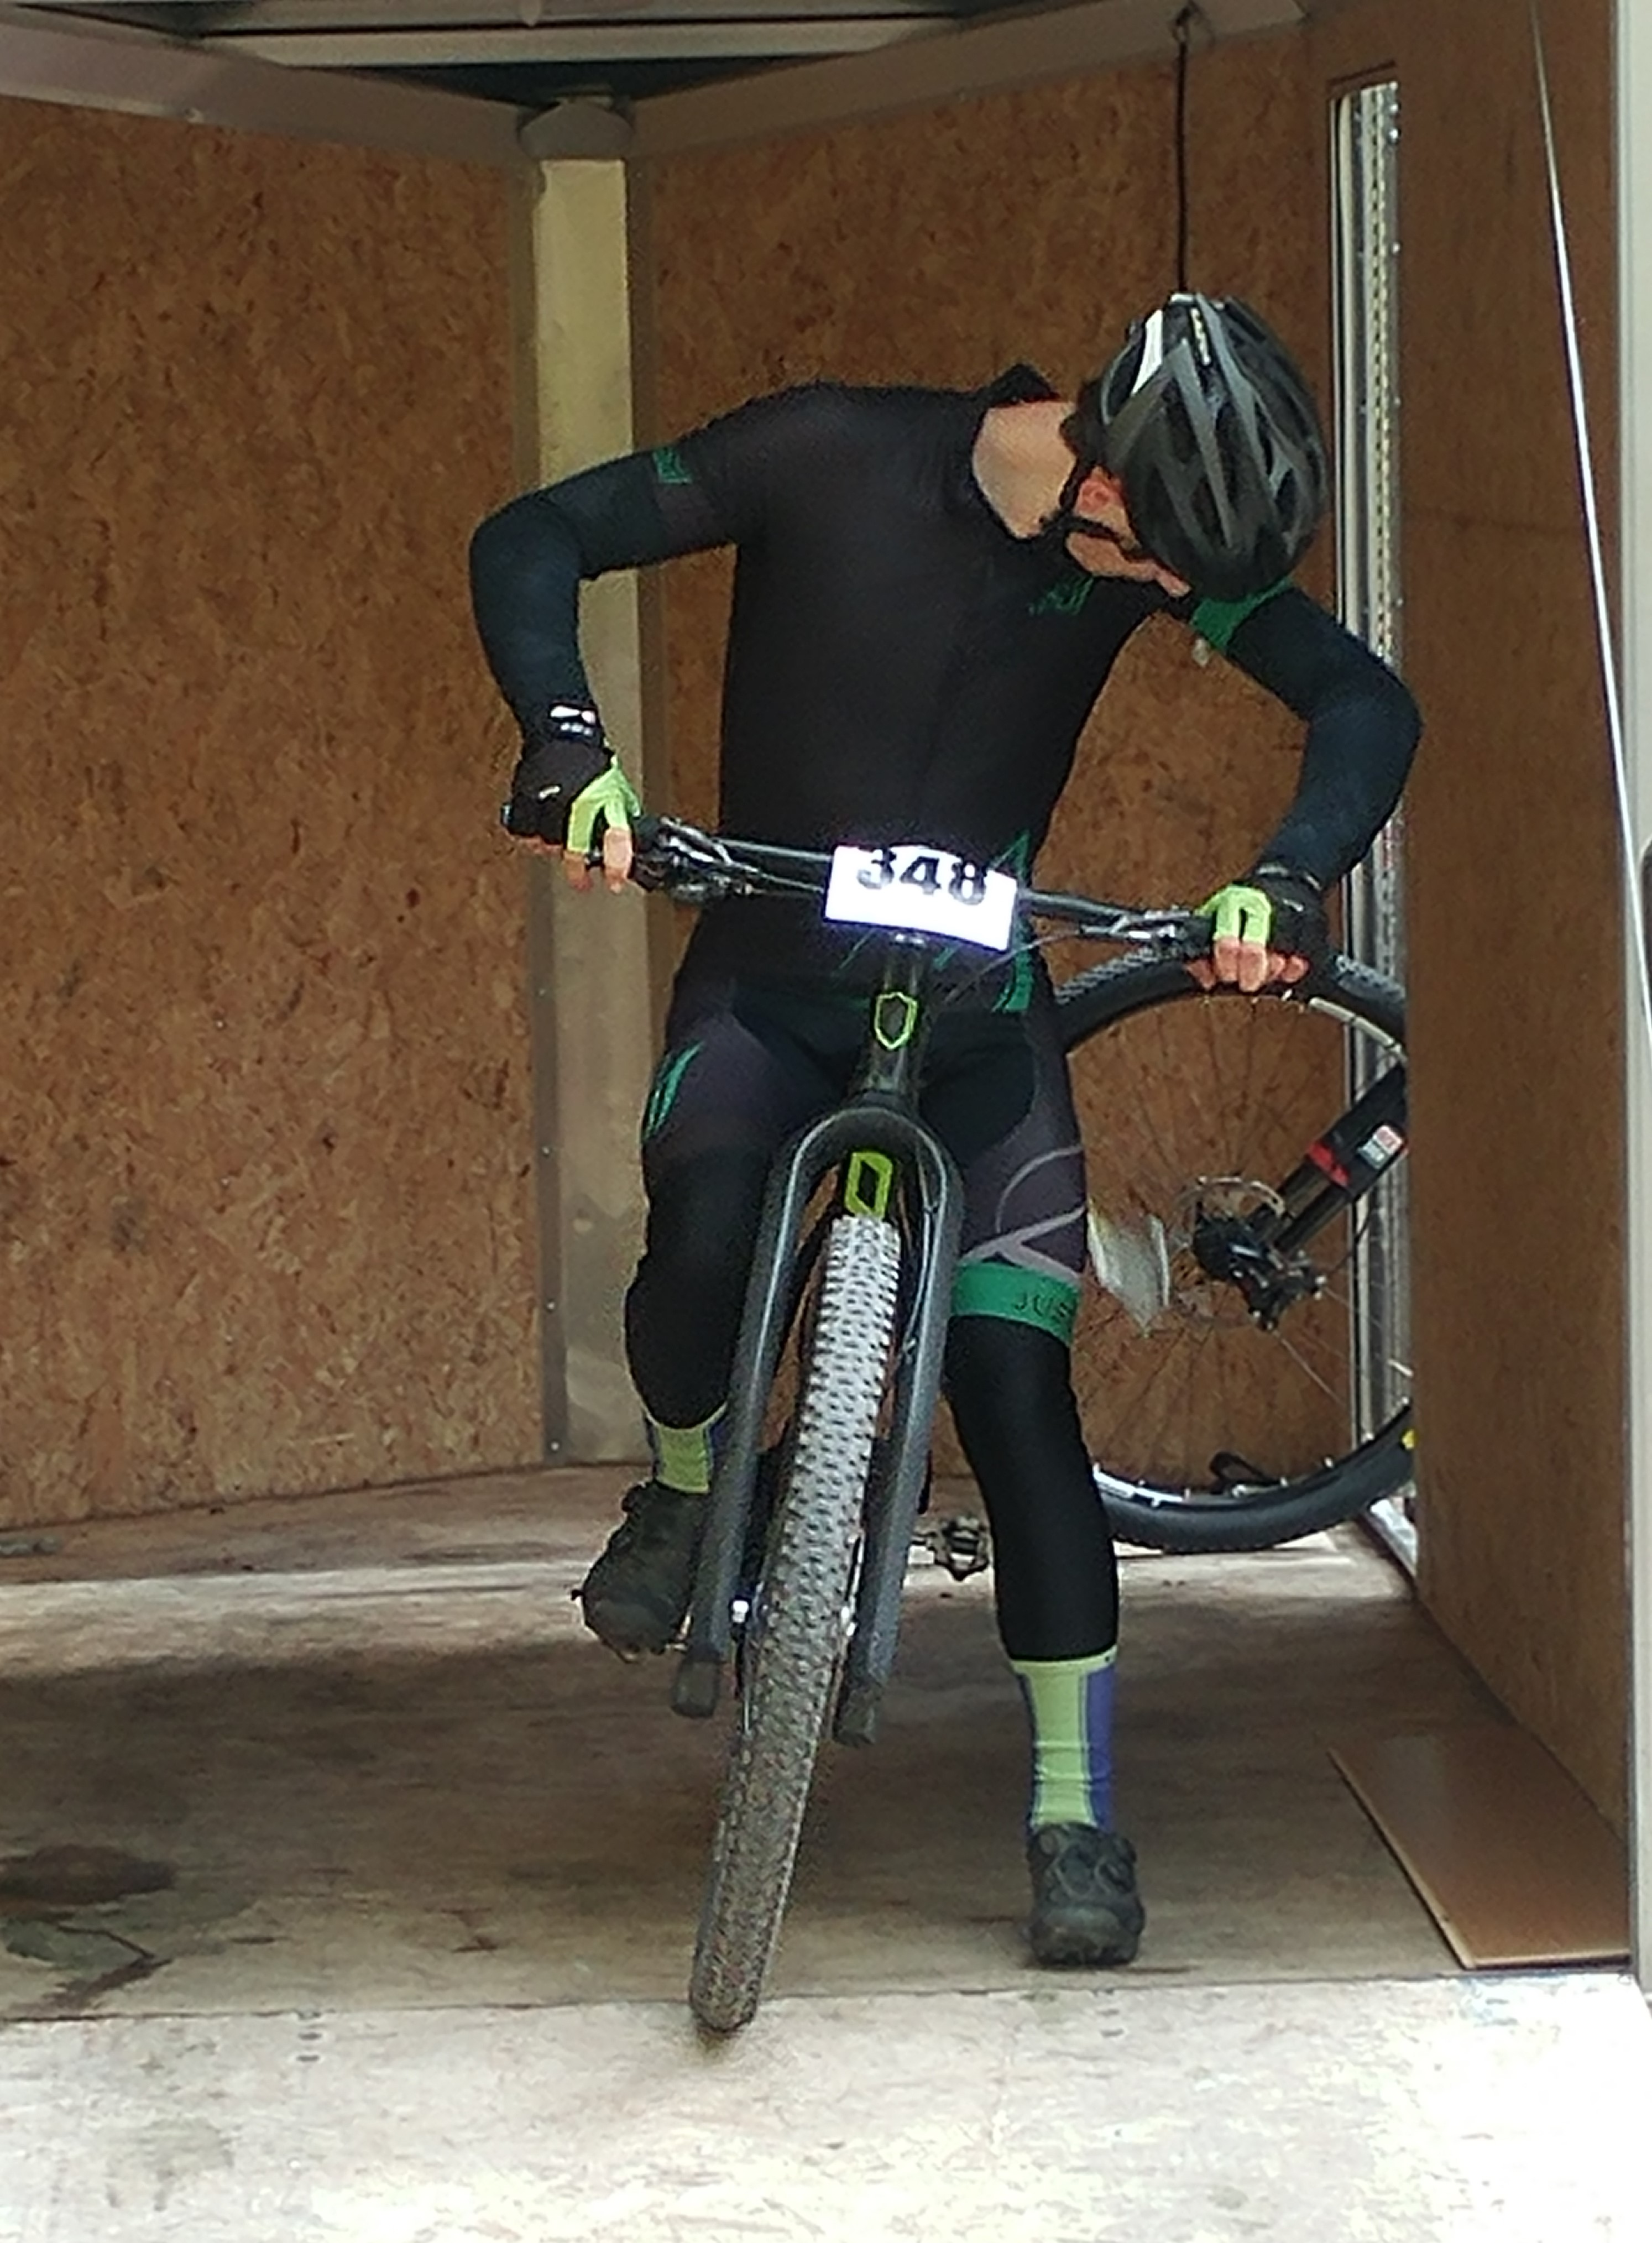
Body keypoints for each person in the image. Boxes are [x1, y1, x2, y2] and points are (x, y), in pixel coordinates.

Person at [468, 292, 1421, 1969]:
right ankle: (686, 1491)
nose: (1173, 603)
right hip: (769, 986)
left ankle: (1075, 1811)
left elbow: (1362, 704)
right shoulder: (828, 449)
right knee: (699, 1246)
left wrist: (1282, 878)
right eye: (1159, 567)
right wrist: (568, 749)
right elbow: (533, 535)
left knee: (1015, 1392)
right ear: (1102, 483)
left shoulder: (1149, 551)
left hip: (980, 1019)